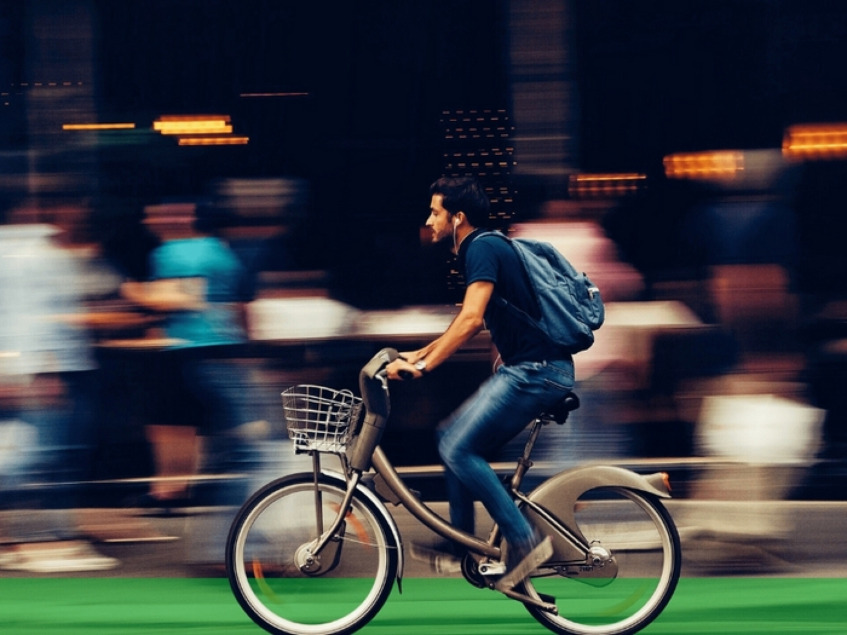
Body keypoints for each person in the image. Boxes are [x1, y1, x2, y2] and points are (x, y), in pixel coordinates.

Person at [385, 177, 575, 589]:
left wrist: (424, 368)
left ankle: (525, 541)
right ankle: (461, 544)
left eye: (435, 211)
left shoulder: (482, 247)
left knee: (457, 447)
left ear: (458, 217)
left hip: (536, 371)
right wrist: (420, 353)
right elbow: (469, 324)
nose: (429, 219)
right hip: (528, 369)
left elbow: (470, 319)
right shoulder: (484, 247)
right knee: (449, 434)